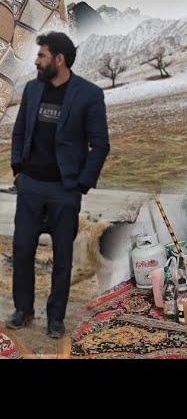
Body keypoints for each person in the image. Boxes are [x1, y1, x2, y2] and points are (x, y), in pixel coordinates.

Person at [7, 32, 110, 339]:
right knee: (22, 250)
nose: (37, 61)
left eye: (42, 56)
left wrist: (81, 184)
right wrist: (18, 171)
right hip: (30, 188)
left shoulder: (89, 94)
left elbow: (100, 144)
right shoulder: (32, 89)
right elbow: (19, 132)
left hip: (64, 192)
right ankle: (23, 310)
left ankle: (55, 318)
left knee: (63, 257)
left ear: (59, 59)